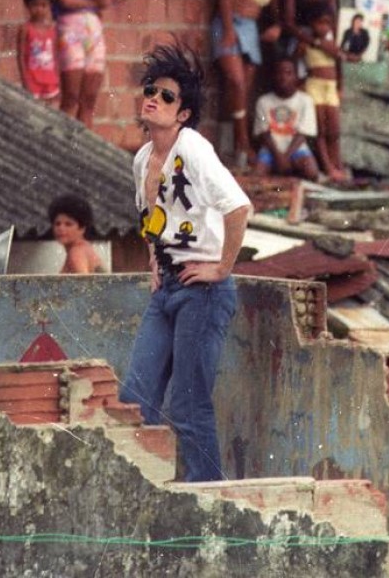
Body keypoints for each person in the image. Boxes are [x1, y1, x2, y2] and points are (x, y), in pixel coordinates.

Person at [119, 44, 252, 483]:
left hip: (204, 290)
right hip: (168, 287)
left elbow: (238, 208)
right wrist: (154, 263)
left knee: (189, 404)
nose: (152, 98)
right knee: (135, 397)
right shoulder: (142, 159)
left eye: (167, 96)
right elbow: (152, 220)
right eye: (150, 90)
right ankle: (141, 490)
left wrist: (221, 268)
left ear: (183, 113)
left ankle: (207, 501)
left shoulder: (192, 147)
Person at [212, 0, 286, 163]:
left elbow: (277, 16)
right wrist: (227, 29)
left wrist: (276, 29)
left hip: (250, 29)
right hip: (228, 23)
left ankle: (237, 148)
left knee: (244, 88)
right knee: (236, 81)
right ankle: (242, 140)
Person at [44, 0, 113, 128]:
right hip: (69, 32)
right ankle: (62, 149)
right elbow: (65, 1)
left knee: (89, 99)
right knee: (71, 97)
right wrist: (93, 4)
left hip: (94, 34)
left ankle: (85, 152)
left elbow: (106, 1)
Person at [253, 56, 320, 180]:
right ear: (273, 76)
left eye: (288, 73)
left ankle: (289, 172)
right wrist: (279, 157)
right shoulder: (263, 101)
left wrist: (285, 157)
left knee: (312, 172)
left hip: (296, 150)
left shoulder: (305, 100)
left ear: (296, 77)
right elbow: (264, 134)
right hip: (271, 150)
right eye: (279, 72)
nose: (283, 77)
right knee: (257, 174)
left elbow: (302, 134)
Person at [299, 5, 346, 182]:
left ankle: (337, 164)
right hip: (314, 86)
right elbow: (296, 63)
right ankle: (328, 168)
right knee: (321, 129)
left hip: (331, 87)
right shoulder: (306, 44)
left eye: (327, 23)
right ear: (311, 25)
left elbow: (340, 65)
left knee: (334, 130)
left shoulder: (333, 44)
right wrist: (300, 82)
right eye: (319, 23)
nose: (323, 27)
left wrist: (341, 87)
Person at [17, 0, 60, 107]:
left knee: (52, 111)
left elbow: (56, 56)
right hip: (32, 80)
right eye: (35, 5)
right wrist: (25, 81)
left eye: (43, 5)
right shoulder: (25, 29)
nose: (39, 9)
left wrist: (58, 80)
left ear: (50, 6)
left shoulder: (53, 29)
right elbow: (20, 57)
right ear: (27, 6)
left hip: (50, 80)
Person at [49, 194, 105, 273]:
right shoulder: (85, 247)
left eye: (68, 224)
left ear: (82, 228)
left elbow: (84, 284)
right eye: (57, 224)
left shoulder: (76, 253)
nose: (61, 229)